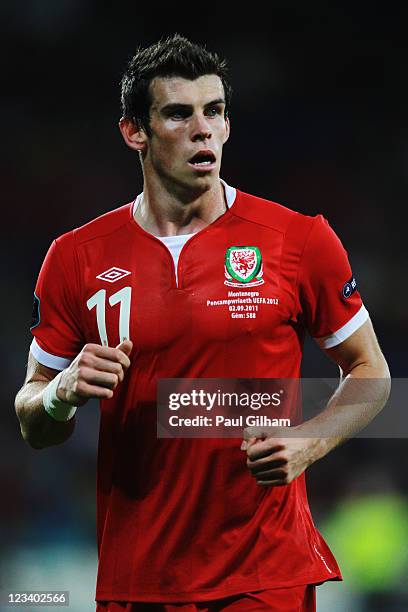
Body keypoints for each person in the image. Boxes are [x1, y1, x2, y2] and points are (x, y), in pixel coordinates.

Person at [15, 34, 390, 612]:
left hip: (264, 573)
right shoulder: (75, 257)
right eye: (178, 113)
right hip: (138, 578)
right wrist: (61, 394)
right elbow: (33, 418)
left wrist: (308, 441)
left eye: (214, 111)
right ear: (134, 132)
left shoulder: (299, 239)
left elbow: (372, 372)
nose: (203, 129)